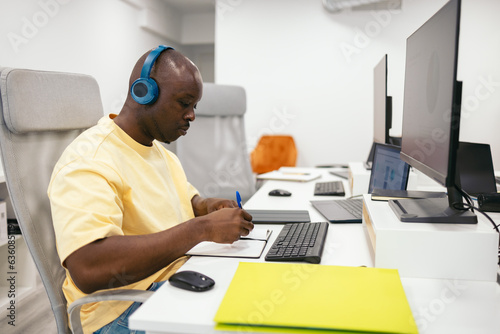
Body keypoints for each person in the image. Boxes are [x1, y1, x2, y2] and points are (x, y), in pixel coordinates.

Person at [47, 46, 254, 334]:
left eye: (194, 106)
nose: (192, 116)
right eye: (184, 103)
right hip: (121, 311)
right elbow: (88, 267)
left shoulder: (160, 151)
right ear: (143, 92)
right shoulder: (91, 158)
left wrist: (206, 206)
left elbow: (187, 199)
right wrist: (201, 228)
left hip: (172, 283)